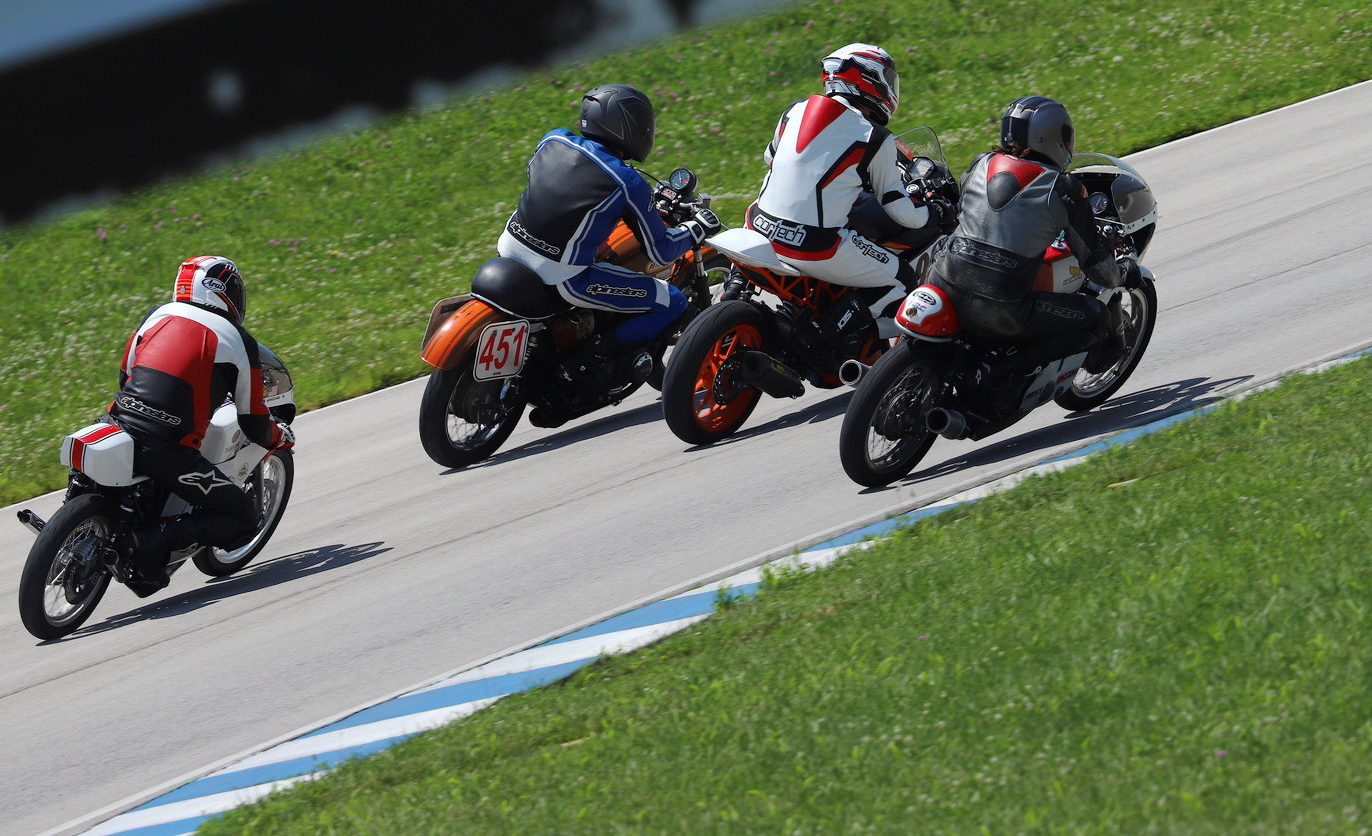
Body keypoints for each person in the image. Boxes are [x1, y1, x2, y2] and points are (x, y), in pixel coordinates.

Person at [496, 83, 720, 384]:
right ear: (628, 128)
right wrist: (697, 228)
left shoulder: (552, 140)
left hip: (509, 247)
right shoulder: (626, 181)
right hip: (564, 277)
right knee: (673, 302)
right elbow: (661, 251)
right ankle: (590, 362)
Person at [107, 256, 293, 596]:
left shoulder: (155, 314)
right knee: (245, 519)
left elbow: (125, 375)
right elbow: (252, 420)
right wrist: (278, 436)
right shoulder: (238, 340)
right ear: (222, 291)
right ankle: (156, 539)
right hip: (168, 451)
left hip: (115, 423)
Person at [745, 43, 953, 328]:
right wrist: (936, 212)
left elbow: (771, 157)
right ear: (870, 81)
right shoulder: (875, 136)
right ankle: (837, 345)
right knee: (902, 278)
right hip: (816, 247)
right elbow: (902, 213)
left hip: (757, 226)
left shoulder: (794, 110)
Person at [926, 95, 1130, 379]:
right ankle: (1003, 374)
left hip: (941, 279)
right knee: (1096, 318)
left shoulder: (979, 164)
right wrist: (1120, 272)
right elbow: (1095, 264)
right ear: (1051, 135)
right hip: (1000, 306)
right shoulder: (1063, 188)